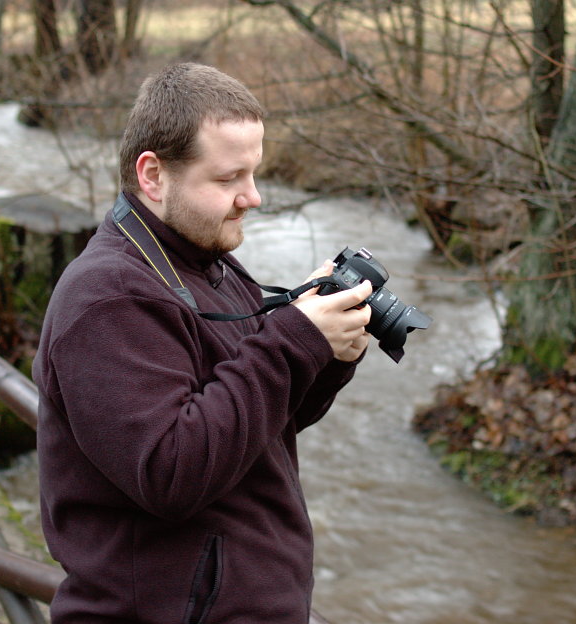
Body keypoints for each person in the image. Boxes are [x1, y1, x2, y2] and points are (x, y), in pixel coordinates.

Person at [33, 62, 372, 624]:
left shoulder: (207, 263)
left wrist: (328, 350)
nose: (252, 197)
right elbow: (172, 473)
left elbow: (263, 425)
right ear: (153, 175)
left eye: (254, 174)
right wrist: (293, 341)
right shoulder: (107, 298)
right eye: (228, 179)